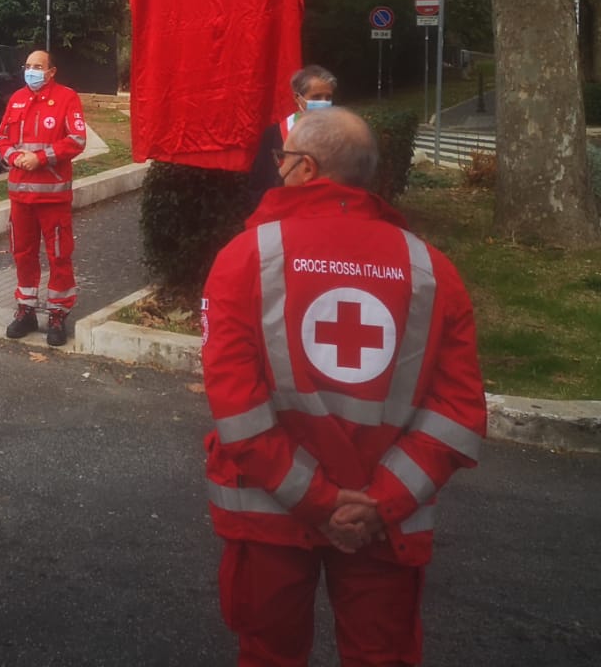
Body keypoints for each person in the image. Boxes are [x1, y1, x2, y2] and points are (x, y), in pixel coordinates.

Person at [201, 108, 485, 667]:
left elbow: (238, 407)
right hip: (385, 523)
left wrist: (319, 503)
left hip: (271, 513)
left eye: (282, 161)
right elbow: (459, 413)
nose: (276, 169)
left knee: (269, 655)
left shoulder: (246, 260)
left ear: (305, 168)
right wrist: (379, 504)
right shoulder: (432, 270)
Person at [0, 49, 87, 347]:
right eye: (28, 66)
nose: (31, 71)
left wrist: (42, 158)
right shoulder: (17, 98)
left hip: (52, 197)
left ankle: (58, 313)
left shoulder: (67, 98)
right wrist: (13, 156)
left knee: (59, 255)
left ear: (51, 71)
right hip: (20, 196)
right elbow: (0, 138)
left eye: (38, 67)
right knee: (22, 253)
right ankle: (26, 310)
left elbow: (76, 139)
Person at [247, 65, 337, 206]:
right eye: (316, 97)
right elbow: (259, 183)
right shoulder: (274, 135)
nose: (323, 103)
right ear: (297, 98)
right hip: (283, 214)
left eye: (328, 97)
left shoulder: (340, 134)